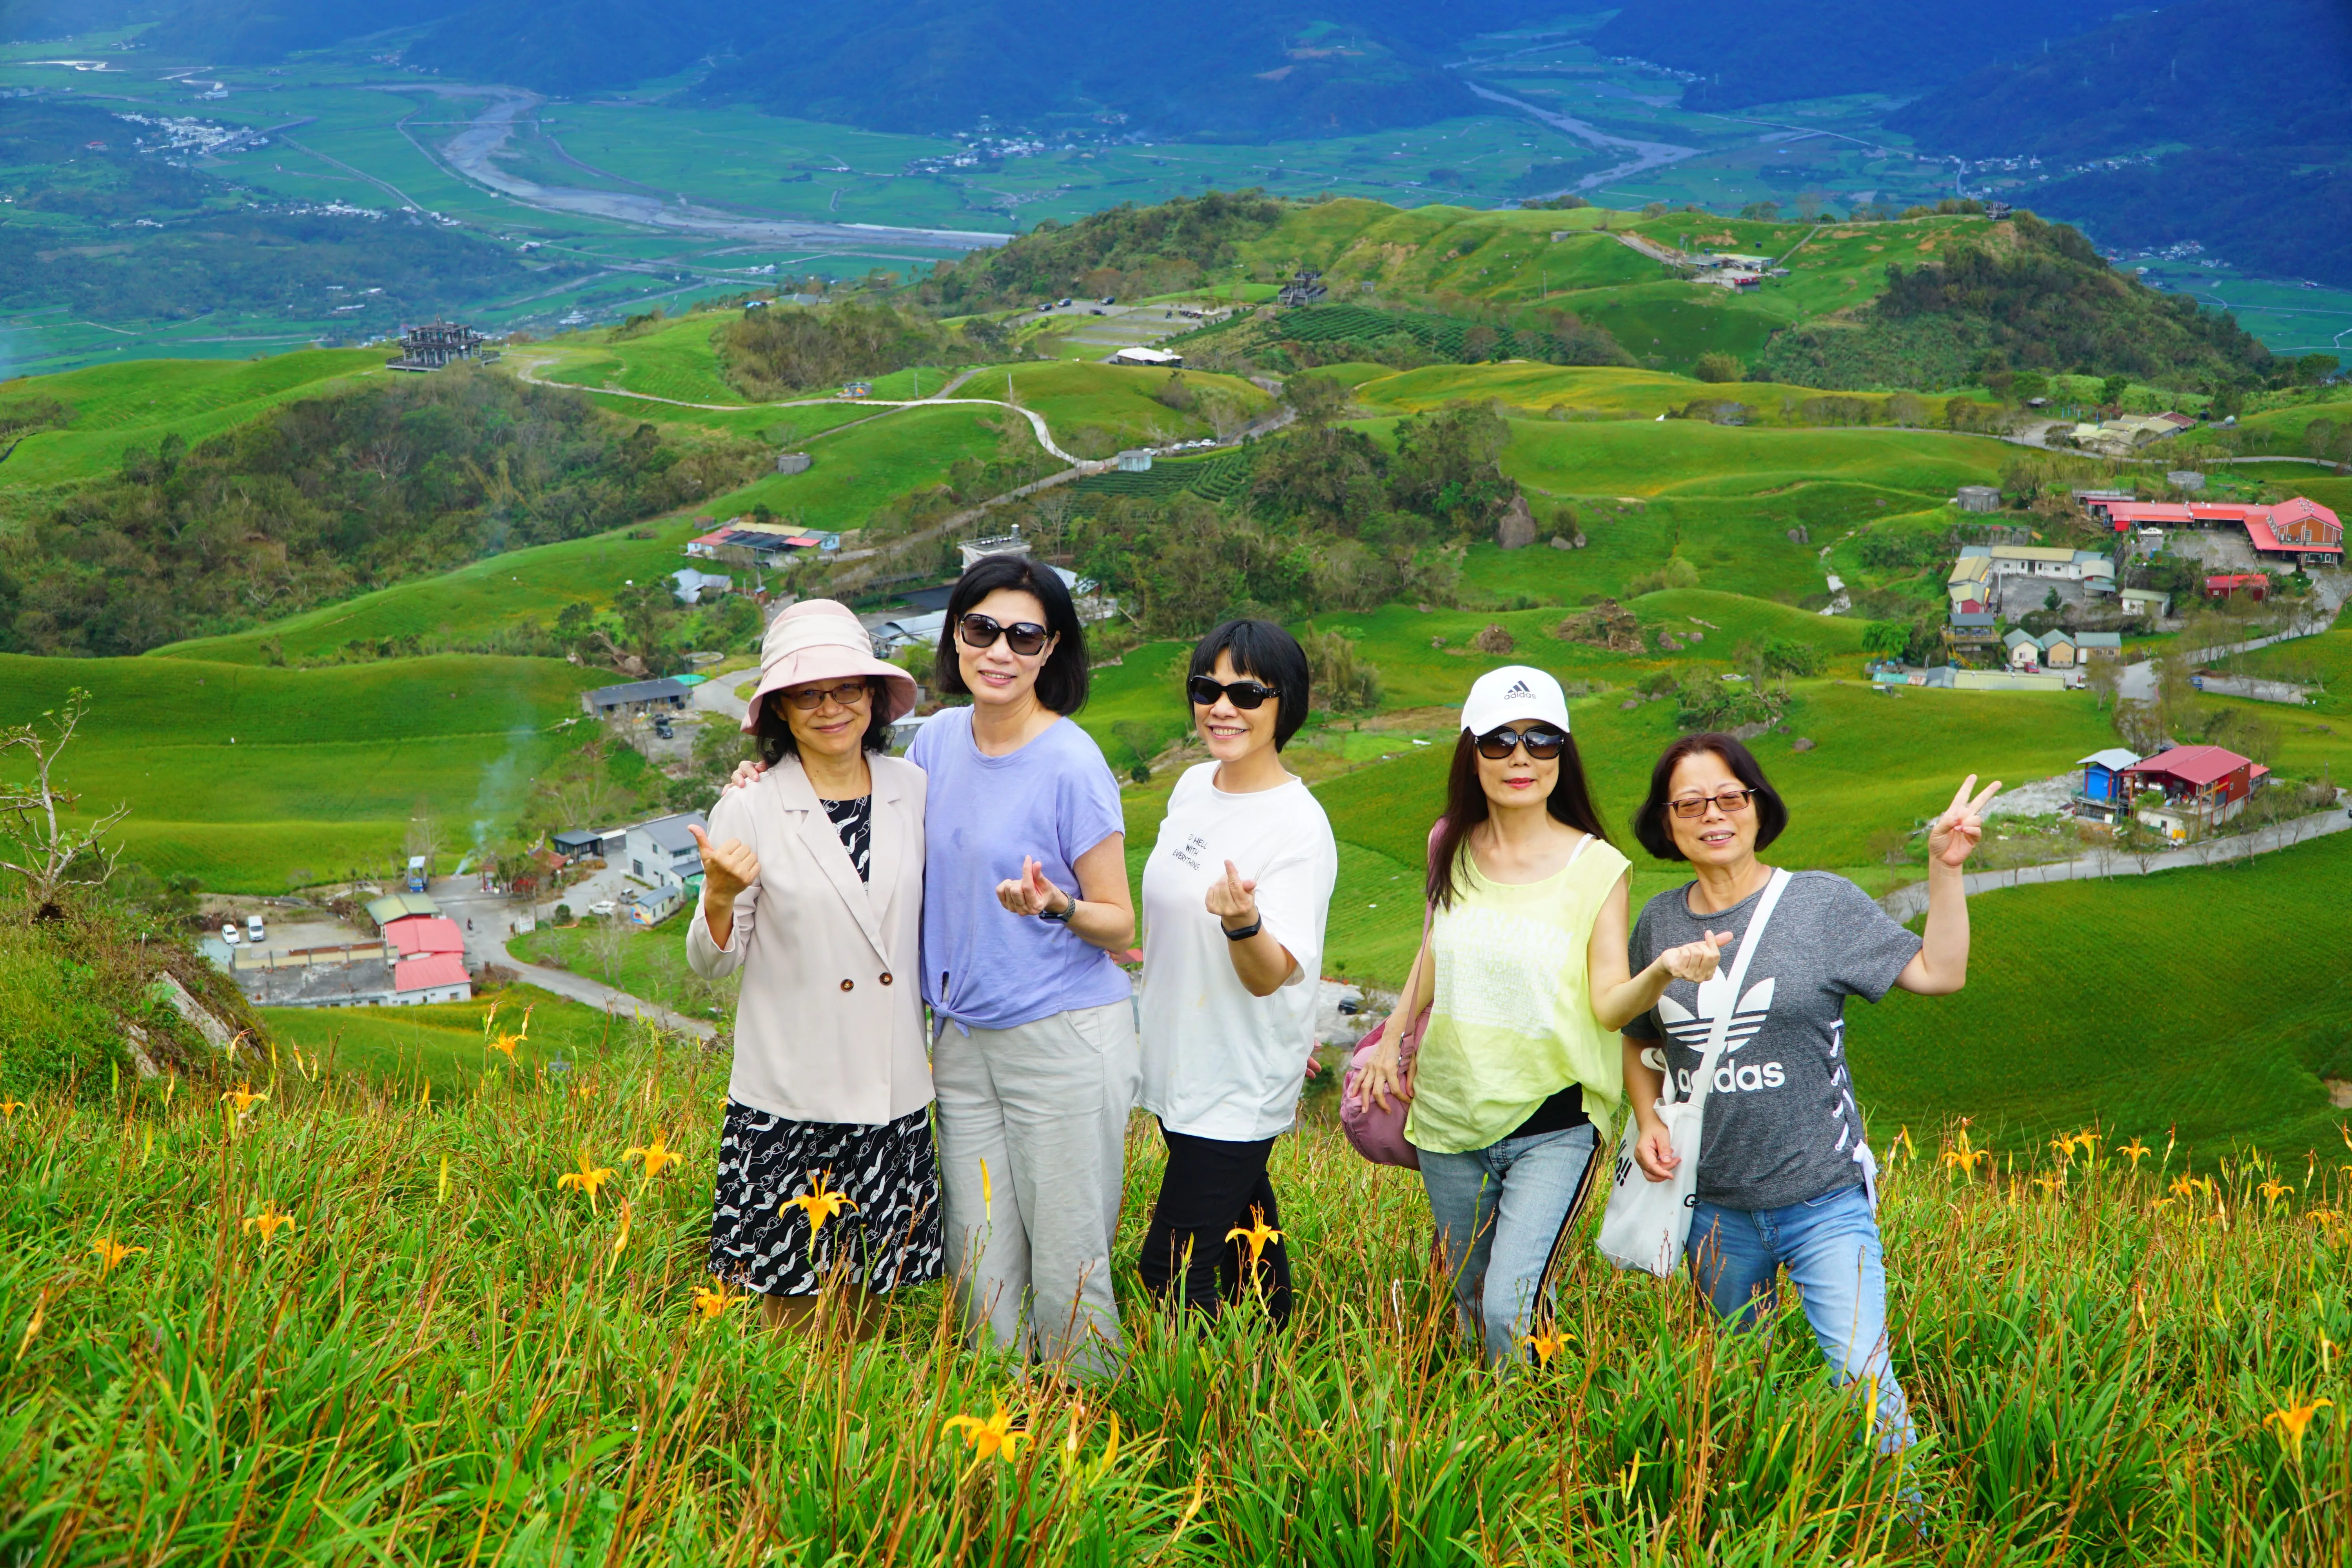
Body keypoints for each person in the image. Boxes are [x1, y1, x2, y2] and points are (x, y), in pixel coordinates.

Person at [1620, 732, 1998, 1453]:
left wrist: (1944, 871)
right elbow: (1640, 1037)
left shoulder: (1821, 904)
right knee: (1741, 1381)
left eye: (1731, 796)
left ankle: (1915, 1532)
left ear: (1759, 807)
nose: (1714, 814)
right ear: (1666, 824)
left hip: (1823, 1199)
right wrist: (1645, 1120)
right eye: (1691, 803)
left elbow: (1939, 973)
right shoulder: (1659, 925)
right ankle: (1782, 1512)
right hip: (1713, 1210)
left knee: (1863, 1380)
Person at [1358, 666, 1728, 1367]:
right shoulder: (1451, 844)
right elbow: (1435, 946)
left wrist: (1660, 974)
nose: (1521, 757)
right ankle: (1502, 1423)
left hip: (1554, 1124)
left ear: (1564, 753)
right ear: (1472, 751)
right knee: (1470, 1296)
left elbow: (1608, 1003)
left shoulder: (1599, 866)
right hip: (1448, 1114)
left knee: (1509, 1305)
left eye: (1541, 739)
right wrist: (1394, 1039)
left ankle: (1535, 1445)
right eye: (1499, 741)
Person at [684, 599, 937, 1334]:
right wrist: (720, 896)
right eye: (806, 694)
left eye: (846, 689)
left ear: (872, 699)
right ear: (780, 714)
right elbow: (709, 965)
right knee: (788, 1302)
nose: (830, 708)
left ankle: (857, 1435)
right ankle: (797, 1437)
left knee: (869, 1300)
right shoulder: (751, 807)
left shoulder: (913, 790)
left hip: (889, 1084)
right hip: (790, 1092)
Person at [1136, 620, 1338, 1327]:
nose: (1223, 707)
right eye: (1207, 688)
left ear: (1287, 705)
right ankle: (1280, 1364)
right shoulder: (1192, 788)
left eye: (1248, 693)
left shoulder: (1299, 827)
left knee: (1170, 1270)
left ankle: (1202, 1419)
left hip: (1236, 1077)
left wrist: (1242, 924)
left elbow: (1271, 974)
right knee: (1248, 1238)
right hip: (1178, 1061)